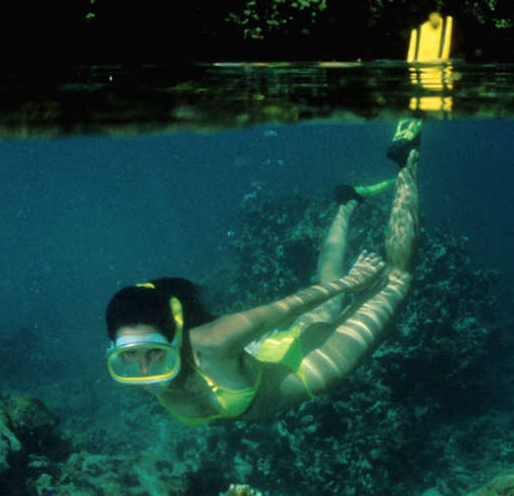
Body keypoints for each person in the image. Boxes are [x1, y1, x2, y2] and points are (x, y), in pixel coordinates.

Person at [103, 121, 422, 424]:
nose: (144, 372)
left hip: (311, 367)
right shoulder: (144, 367)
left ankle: (407, 158)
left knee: (398, 279)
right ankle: (348, 202)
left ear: (173, 337)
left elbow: (289, 307)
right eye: (129, 356)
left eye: (155, 354)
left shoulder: (214, 342)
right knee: (329, 295)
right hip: (274, 352)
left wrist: (350, 283)